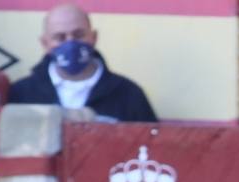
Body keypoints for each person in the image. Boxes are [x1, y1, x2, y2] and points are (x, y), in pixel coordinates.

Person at [8, 3, 157, 122]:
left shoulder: (129, 94)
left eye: (78, 35)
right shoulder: (21, 94)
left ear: (94, 37)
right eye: (60, 37)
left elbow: (152, 151)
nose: (70, 43)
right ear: (45, 43)